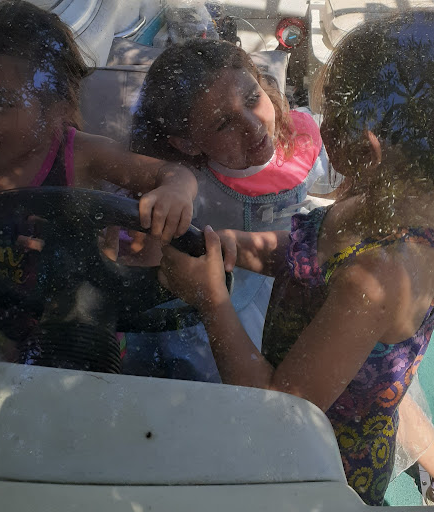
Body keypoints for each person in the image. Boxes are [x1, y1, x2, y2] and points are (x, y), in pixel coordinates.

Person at [157, 9, 434, 505]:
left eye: (331, 116)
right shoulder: (382, 192)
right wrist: (224, 245)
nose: (319, 125)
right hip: (323, 393)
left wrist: (211, 300)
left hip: (319, 465)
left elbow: (282, 416)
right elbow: (307, 248)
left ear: (367, 147)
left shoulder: (379, 274)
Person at [0, 0, 197, 355]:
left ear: (57, 108)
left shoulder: (83, 155)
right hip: (8, 320)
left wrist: (175, 190)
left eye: (0, 101)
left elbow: (172, 173)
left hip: (88, 328)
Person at [125, 39, 339, 380]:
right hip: (218, 296)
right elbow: (153, 257)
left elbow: (331, 180)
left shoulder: (300, 138)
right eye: (224, 123)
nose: (253, 126)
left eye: (253, 99)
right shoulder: (186, 181)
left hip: (287, 275)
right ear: (187, 143)